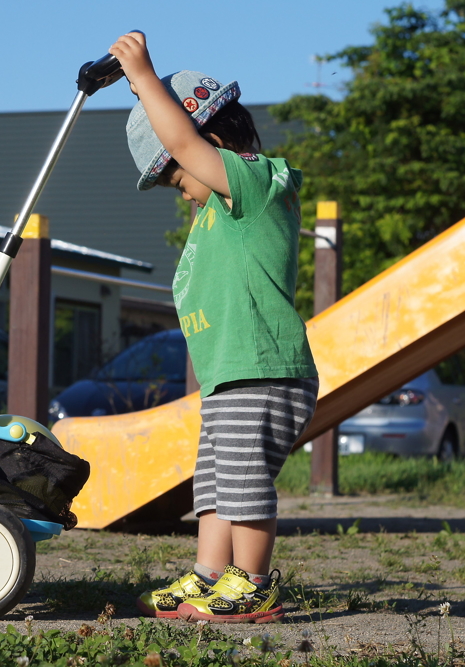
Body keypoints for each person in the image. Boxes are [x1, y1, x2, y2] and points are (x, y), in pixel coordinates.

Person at [110, 31, 319, 624]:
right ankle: (209, 576)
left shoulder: (253, 184)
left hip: (266, 370)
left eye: (179, 180)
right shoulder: (214, 219)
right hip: (233, 376)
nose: (183, 194)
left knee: (244, 479)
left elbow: (181, 139)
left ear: (213, 141)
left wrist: (142, 76)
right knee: (216, 481)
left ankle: (252, 584)